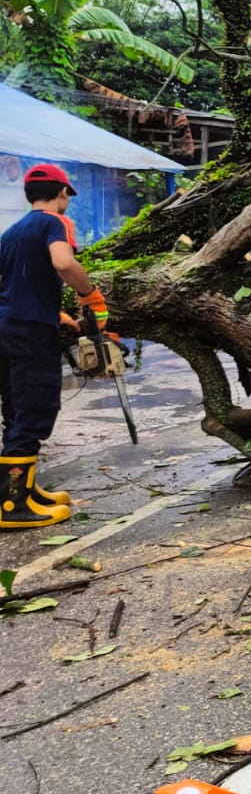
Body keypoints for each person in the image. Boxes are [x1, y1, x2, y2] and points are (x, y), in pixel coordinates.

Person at [0, 164, 106, 529]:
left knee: (16, 410)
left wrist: (53, 312)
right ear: (62, 193)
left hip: (7, 328)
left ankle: (22, 490)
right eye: (66, 196)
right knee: (34, 409)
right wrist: (89, 295)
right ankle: (12, 507)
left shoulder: (11, 232)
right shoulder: (55, 222)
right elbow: (63, 263)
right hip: (29, 335)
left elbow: (12, 284)